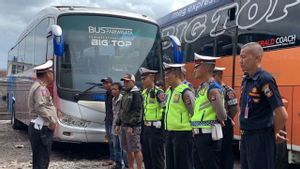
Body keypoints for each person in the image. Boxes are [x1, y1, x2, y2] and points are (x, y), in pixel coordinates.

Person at [239, 42, 288, 169]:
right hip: (246, 137)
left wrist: (273, 133)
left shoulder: (265, 79)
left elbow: (282, 114)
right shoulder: (246, 80)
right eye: (240, 57)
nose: (240, 61)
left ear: (257, 58)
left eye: (244, 57)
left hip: (260, 139)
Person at [191, 53, 227, 169]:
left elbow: (222, 115)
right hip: (199, 136)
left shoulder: (213, 89)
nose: (194, 69)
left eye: (197, 66)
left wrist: (217, 120)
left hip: (208, 137)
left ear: (206, 68)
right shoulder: (202, 88)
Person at [163, 63, 195, 169]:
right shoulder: (169, 91)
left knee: (183, 164)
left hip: (182, 134)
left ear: (176, 75)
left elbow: (194, 112)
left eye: (168, 75)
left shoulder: (185, 92)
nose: (165, 77)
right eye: (165, 75)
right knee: (170, 164)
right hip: (169, 133)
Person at [28, 60, 57, 169]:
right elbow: (40, 106)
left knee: (41, 159)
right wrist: (52, 120)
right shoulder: (41, 88)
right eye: (51, 73)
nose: (52, 75)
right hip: (42, 127)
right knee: (41, 160)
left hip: (41, 126)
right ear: (47, 74)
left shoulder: (39, 86)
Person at [115, 74, 143, 169]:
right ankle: (130, 167)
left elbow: (137, 111)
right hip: (124, 125)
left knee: (136, 149)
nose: (125, 83)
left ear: (133, 82)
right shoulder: (125, 93)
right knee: (128, 149)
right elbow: (121, 110)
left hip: (133, 127)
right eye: (124, 81)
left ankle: (139, 167)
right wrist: (118, 124)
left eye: (127, 81)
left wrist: (131, 125)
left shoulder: (136, 94)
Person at [139, 67, 165, 169]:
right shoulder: (144, 93)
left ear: (152, 78)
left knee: (157, 157)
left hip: (156, 129)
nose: (142, 81)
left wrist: (162, 128)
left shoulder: (159, 93)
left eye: (144, 79)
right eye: (142, 79)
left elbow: (165, 109)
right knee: (147, 157)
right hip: (146, 129)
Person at [213, 66, 238, 169]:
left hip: (225, 125)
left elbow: (234, 109)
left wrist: (226, 119)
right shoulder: (210, 89)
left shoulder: (228, 90)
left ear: (220, 76)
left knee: (226, 151)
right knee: (216, 152)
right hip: (213, 124)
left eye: (214, 75)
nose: (212, 78)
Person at [111, 82, 129, 169]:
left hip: (121, 126)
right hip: (114, 125)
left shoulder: (123, 99)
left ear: (120, 90)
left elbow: (123, 114)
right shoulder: (113, 99)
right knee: (116, 146)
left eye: (115, 89)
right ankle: (118, 165)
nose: (113, 91)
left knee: (124, 148)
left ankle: (127, 165)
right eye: (112, 89)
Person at [101, 76, 115, 166]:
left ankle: (116, 160)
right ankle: (112, 158)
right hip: (108, 119)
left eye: (106, 83)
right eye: (104, 83)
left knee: (114, 141)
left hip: (113, 120)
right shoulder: (107, 93)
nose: (104, 85)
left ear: (111, 84)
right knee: (110, 140)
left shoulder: (114, 94)